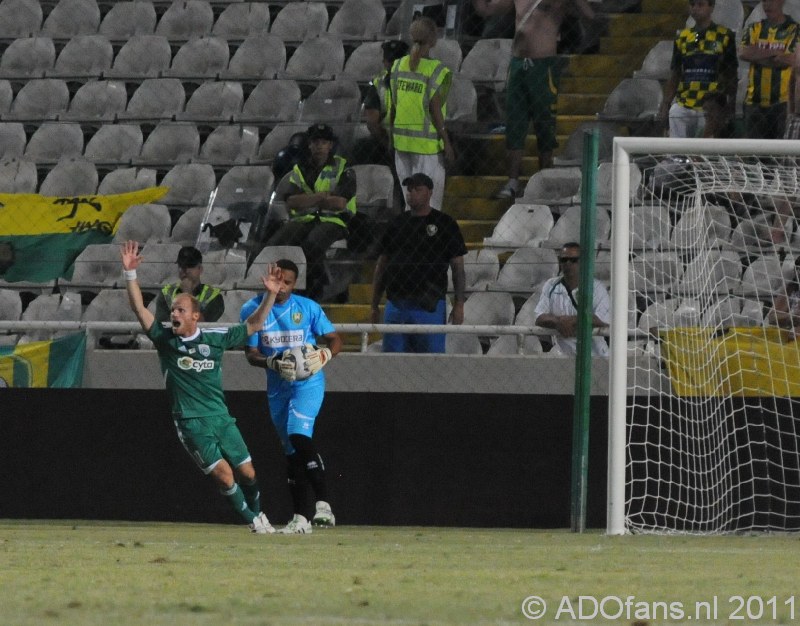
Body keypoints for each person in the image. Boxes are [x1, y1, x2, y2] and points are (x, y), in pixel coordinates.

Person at [119, 240, 282, 534]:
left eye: (180, 310)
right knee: (224, 475)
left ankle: (260, 515)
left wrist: (269, 294)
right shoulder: (165, 340)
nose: (174, 314)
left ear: (195, 316)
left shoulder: (214, 338)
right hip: (191, 422)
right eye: (173, 310)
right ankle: (253, 523)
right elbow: (138, 308)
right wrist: (131, 274)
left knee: (248, 472)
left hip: (221, 417)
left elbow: (254, 325)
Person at [240, 259, 342, 534]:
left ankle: (324, 504)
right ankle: (300, 518)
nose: (282, 286)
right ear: (268, 278)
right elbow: (251, 354)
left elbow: (335, 339)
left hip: (308, 383)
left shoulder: (307, 308)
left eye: (287, 282)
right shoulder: (252, 310)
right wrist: (272, 362)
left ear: (295, 283)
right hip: (277, 388)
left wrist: (324, 354)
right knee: (291, 452)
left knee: (299, 435)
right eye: (278, 280)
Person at [473, 0, 596, 199]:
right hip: (518, 65)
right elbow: (486, 9)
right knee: (515, 123)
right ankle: (513, 181)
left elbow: (589, 15)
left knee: (544, 124)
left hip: (543, 65)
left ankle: (544, 178)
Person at [370, 173, 467, 353]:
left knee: (430, 362)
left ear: (430, 192)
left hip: (429, 304)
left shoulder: (444, 223)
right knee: (392, 360)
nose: (412, 193)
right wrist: (374, 304)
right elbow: (382, 265)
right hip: (397, 302)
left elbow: (458, 268)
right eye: (409, 190)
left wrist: (459, 304)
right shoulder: (397, 223)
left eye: (418, 189)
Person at [265, 123, 357, 301]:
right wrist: (322, 196)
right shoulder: (300, 168)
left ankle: (312, 291)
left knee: (311, 245)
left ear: (330, 145)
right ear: (309, 144)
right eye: (315, 142)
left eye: (323, 142)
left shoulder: (343, 167)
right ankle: (279, 290)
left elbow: (339, 203)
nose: (319, 146)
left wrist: (308, 199)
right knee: (278, 241)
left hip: (335, 220)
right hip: (306, 218)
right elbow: (291, 202)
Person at [389, 16, 454, 211]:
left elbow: (393, 106)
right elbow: (435, 110)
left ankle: (411, 240)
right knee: (430, 206)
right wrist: (447, 143)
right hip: (427, 147)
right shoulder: (437, 70)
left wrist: (391, 138)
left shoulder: (397, 66)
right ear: (433, 40)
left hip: (401, 143)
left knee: (410, 202)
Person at [656, 0, 738, 139]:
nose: (695, 9)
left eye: (700, 5)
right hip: (685, 100)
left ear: (711, 7)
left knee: (703, 146)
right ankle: (676, 158)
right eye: (692, 5)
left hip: (710, 103)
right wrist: (666, 103)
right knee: (675, 113)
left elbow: (731, 73)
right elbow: (676, 72)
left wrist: (730, 104)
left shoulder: (724, 35)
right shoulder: (682, 37)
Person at [533, 242, 610, 356]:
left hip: (595, 355)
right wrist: (558, 321)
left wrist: (572, 320)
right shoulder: (551, 285)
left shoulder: (597, 288)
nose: (568, 264)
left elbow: (602, 320)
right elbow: (539, 317)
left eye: (573, 260)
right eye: (564, 260)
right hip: (563, 356)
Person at [739, 0, 799, 139]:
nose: (767, 4)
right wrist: (776, 54)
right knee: (754, 154)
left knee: (779, 151)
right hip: (754, 101)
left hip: (782, 102)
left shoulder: (794, 29)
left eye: (771, 0)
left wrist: (757, 54)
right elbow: (744, 53)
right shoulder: (754, 28)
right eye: (764, 1)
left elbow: (791, 59)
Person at [352, 39, 410, 167]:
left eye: (399, 60)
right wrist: (389, 145)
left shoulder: (419, 82)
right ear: (385, 62)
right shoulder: (379, 85)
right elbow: (372, 124)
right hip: (386, 140)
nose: (395, 65)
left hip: (413, 139)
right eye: (391, 60)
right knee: (362, 147)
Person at [154, 246, 224, 323]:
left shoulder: (213, 296)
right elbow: (162, 324)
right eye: (181, 265)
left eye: (189, 265)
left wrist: (187, 294)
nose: (184, 270)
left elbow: (200, 324)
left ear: (200, 269)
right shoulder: (166, 292)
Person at [767, 256, 800, 330]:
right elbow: (772, 318)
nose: (798, 272)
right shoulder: (791, 288)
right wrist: (792, 315)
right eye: (797, 269)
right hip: (792, 337)